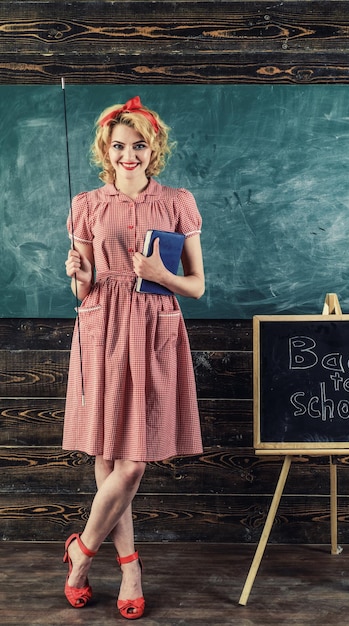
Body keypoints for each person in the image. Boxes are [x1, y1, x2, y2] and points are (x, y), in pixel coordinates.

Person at [62, 96, 205, 620]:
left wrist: (160, 274)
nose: (129, 155)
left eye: (139, 145)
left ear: (153, 148)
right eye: (119, 146)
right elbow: (83, 292)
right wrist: (77, 273)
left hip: (153, 331)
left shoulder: (177, 202)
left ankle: (80, 555)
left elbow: (197, 286)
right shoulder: (87, 204)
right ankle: (129, 568)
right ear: (107, 150)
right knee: (106, 457)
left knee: (133, 461)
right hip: (100, 330)